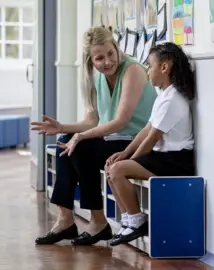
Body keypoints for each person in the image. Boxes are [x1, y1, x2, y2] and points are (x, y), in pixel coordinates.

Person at [31, 26, 157, 245]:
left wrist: (79, 137)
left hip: (136, 141)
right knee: (64, 143)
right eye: (99, 58)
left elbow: (121, 121)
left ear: (116, 49)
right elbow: (91, 121)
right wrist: (62, 128)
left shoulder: (133, 70)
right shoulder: (97, 77)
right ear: (90, 60)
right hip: (113, 139)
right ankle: (65, 218)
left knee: (79, 146)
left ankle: (98, 221)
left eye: (110, 53)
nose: (107, 61)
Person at [104, 42, 196, 246]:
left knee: (117, 170)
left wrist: (131, 161)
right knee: (112, 167)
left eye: (150, 65)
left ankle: (137, 222)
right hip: (162, 157)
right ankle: (128, 220)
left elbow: (153, 137)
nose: (147, 70)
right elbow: (146, 129)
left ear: (164, 68)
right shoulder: (163, 95)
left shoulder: (173, 98)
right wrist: (125, 153)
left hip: (176, 161)